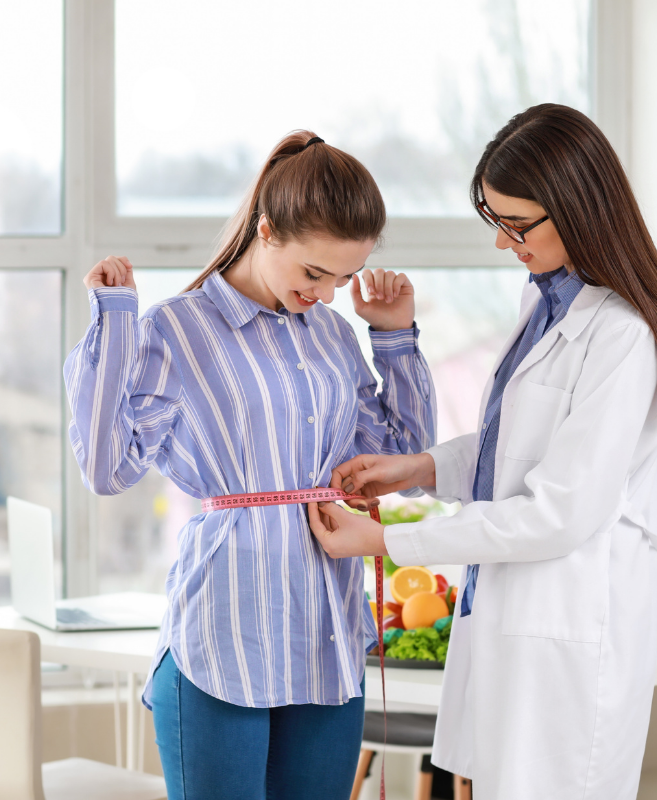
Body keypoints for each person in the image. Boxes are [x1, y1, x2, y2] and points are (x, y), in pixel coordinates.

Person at [307, 104, 657, 799]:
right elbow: (518, 449)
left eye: (517, 225)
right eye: (496, 221)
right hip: (510, 623)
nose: (502, 242)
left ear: (577, 209)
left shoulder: (624, 334)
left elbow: (559, 513)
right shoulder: (546, 304)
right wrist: (421, 468)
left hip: (570, 629)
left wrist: (387, 538)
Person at [64, 131, 436, 800]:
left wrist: (393, 335)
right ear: (266, 231)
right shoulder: (177, 329)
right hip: (221, 636)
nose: (326, 295)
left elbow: (403, 461)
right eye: (313, 273)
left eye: (342, 277)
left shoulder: (332, 334)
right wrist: (115, 323)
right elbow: (107, 469)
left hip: (326, 636)